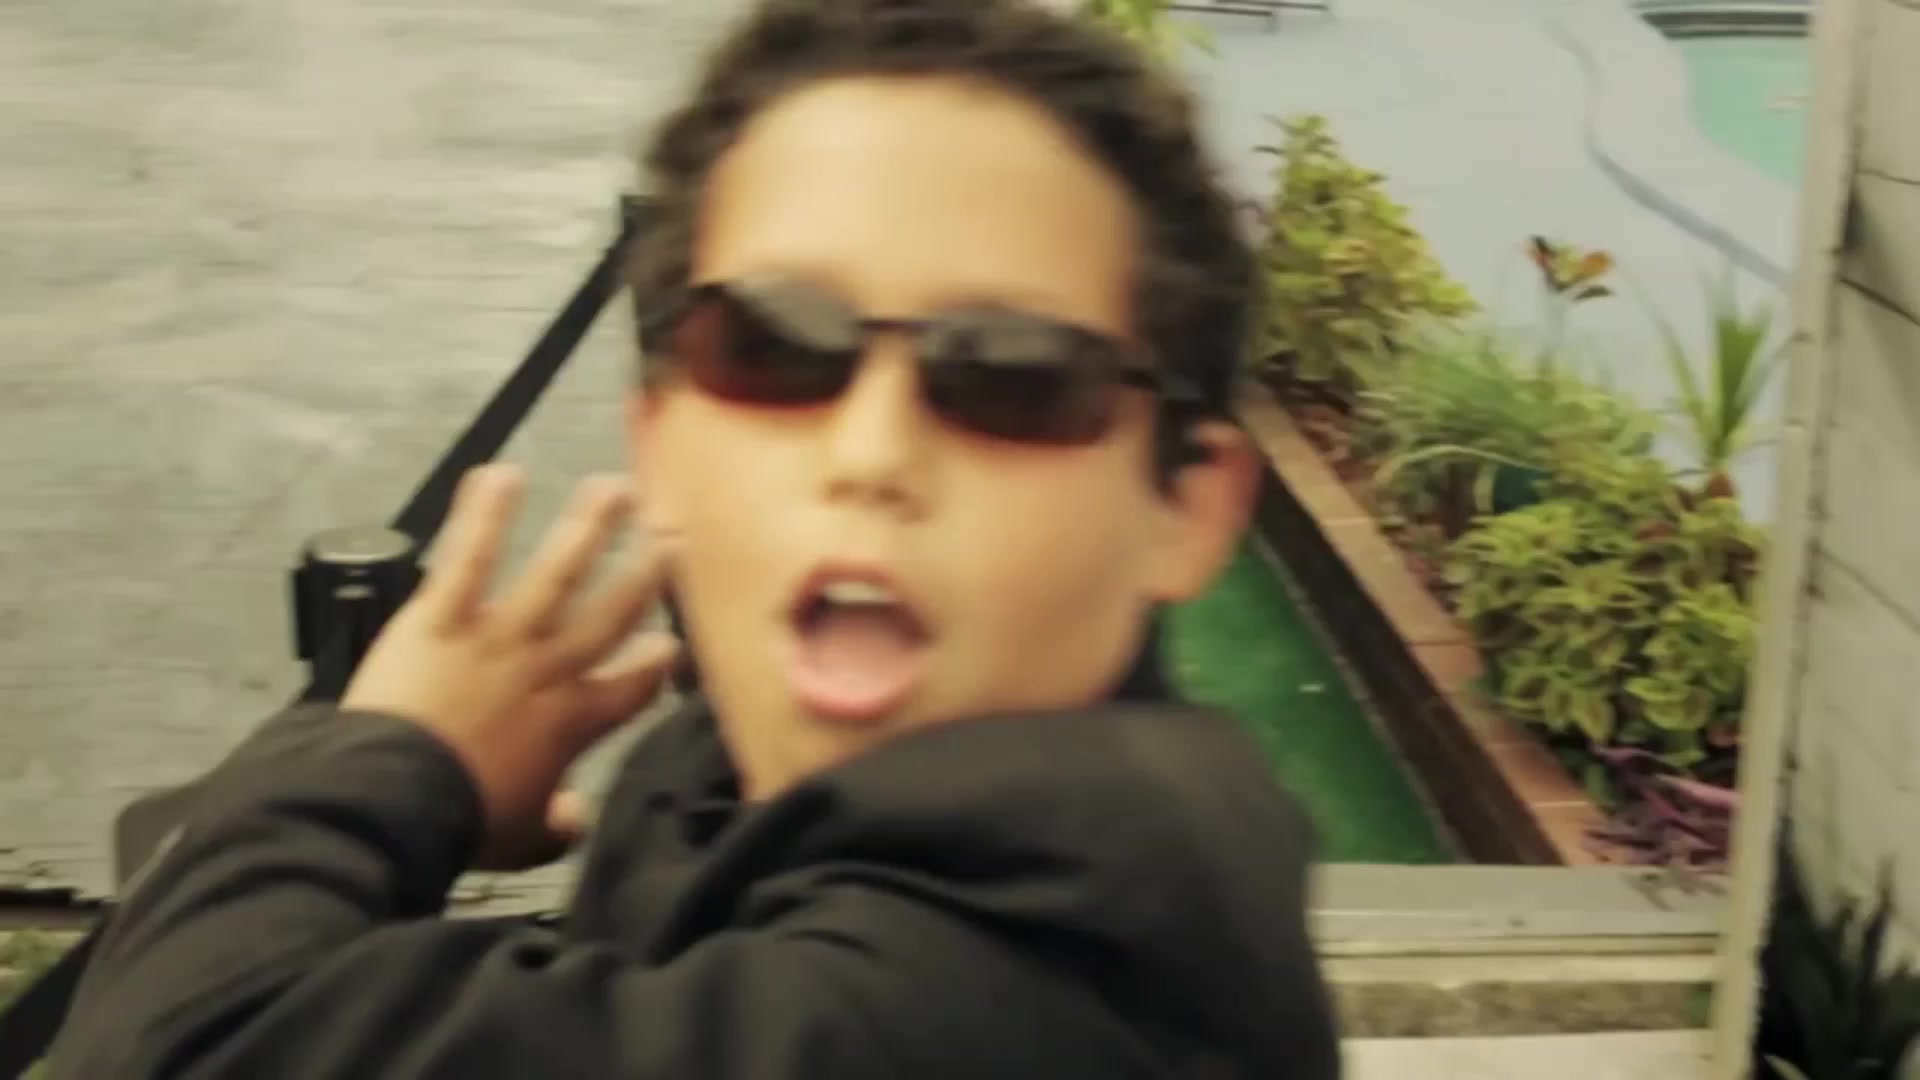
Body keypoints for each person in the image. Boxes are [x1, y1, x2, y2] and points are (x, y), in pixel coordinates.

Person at [48, 0, 1341, 1076]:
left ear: (1184, 508)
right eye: (775, 350)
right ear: (661, 442)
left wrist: (397, 755)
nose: (871, 451)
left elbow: (187, 1045)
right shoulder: (728, 767)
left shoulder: (995, 1001)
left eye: (1013, 377)